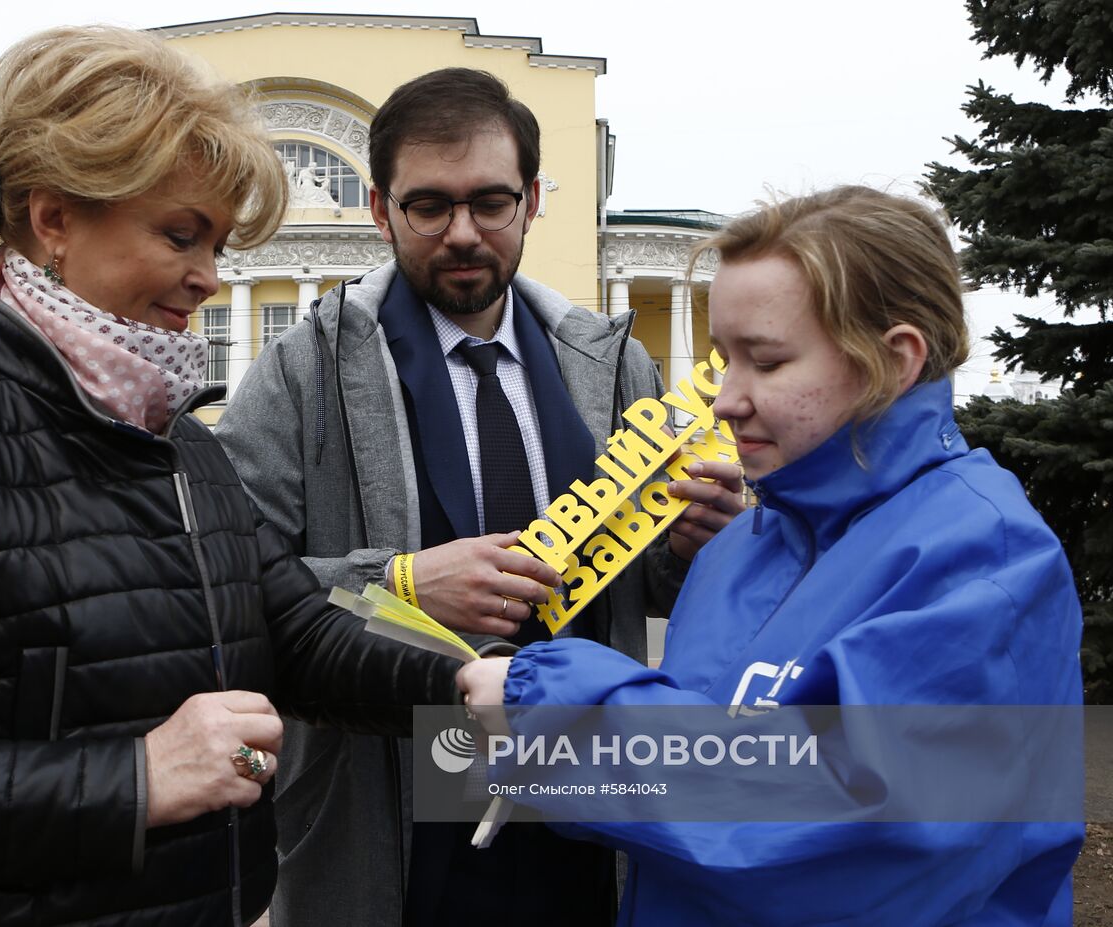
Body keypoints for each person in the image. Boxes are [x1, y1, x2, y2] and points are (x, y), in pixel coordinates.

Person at [0, 26, 462, 927]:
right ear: (55, 219)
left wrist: (467, 687)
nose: (208, 280)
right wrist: (133, 779)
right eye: (182, 236)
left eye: (219, 245)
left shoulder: (178, 441)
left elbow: (293, 636)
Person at [457, 185, 1086, 925]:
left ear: (896, 360)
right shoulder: (738, 547)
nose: (725, 399)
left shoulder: (986, 558)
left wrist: (548, 702)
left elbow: (832, 819)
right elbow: (688, 799)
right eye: (725, 360)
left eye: (768, 360)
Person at [214, 68, 744, 926]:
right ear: (382, 211)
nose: (463, 233)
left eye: (490, 202)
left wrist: (691, 550)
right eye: (429, 206)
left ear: (533, 201)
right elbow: (226, 577)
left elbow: (646, 591)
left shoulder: (614, 366)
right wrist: (398, 581)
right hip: (386, 818)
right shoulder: (304, 369)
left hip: (581, 804)